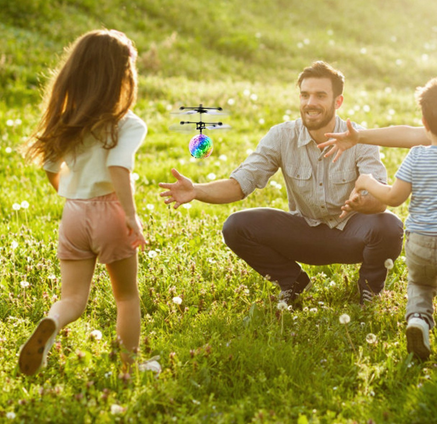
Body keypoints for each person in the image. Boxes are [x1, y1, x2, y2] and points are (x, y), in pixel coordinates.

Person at [160, 61, 403, 306]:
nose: (310, 103)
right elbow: (240, 184)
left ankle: (370, 290)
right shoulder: (281, 136)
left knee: (390, 226)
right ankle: (293, 281)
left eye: (320, 95)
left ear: (337, 102)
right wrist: (196, 190)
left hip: (351, 234)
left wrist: (363, 202)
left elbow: (380, 202)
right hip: (304, 233)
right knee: (236, 226)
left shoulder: (360, 138)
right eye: (305, 95)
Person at [18, 29, 147, 376]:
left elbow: (49, 167)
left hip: (73, 213)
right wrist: (131, 217)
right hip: (109, 211)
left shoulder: (68, 119)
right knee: (126, 297)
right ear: (122, 76)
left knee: (72, 298)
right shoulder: (127, 124)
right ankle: (128, 368)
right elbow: (118, 168)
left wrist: (70, 192)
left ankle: (52, 320)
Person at [328, 78, 437, 360]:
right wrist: (359, 138)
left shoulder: (417, 156)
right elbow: (407, 133)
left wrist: (366, 180)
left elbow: (393, 198)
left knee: (421, 285)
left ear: (425, 121)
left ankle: (417, 321)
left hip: (421, 244)